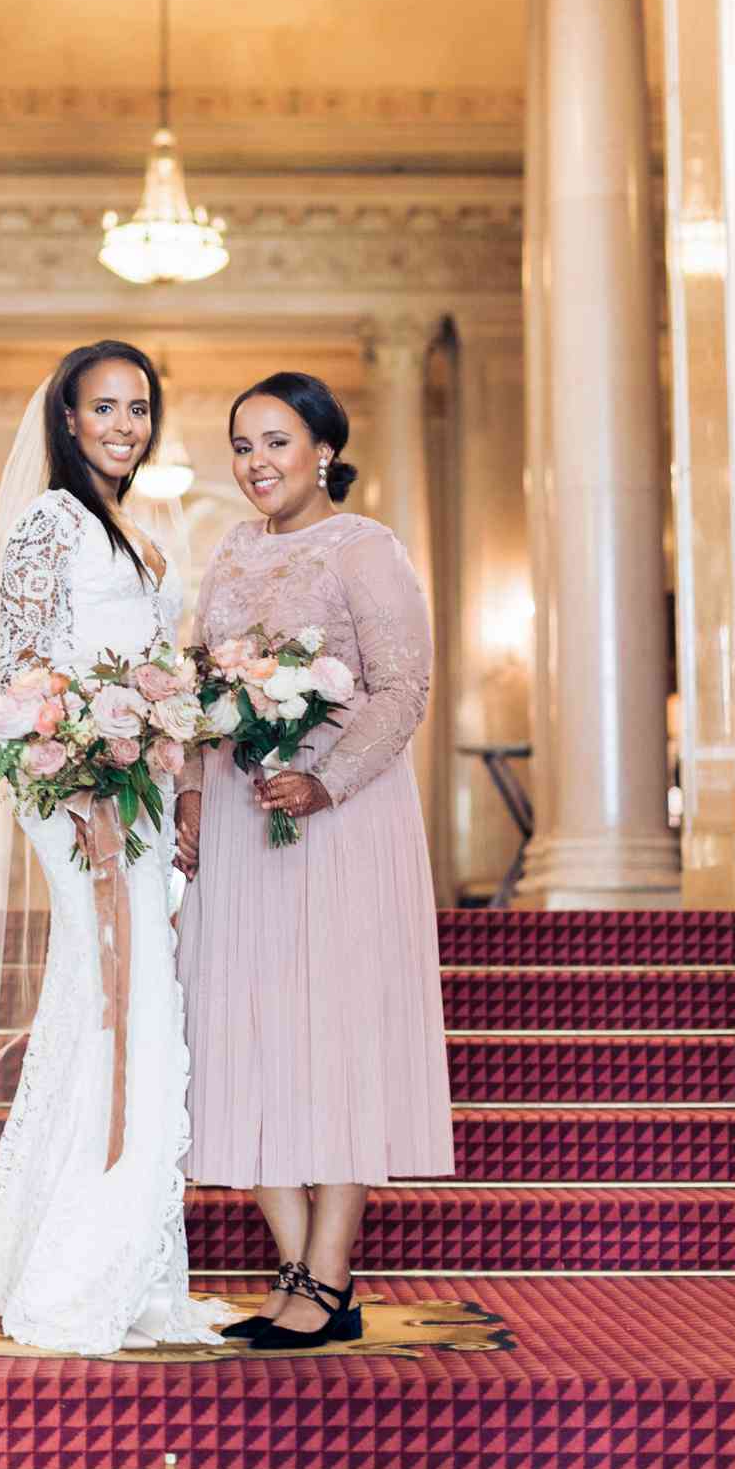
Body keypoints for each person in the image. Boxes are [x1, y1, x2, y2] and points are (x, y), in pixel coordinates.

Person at [0, 341, 228, 1356]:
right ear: (67, 420)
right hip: (81, 786)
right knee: (121, 999)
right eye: (104, 406)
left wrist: (170, 744)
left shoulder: (136, 518)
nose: (124, 423)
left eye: (138, 406)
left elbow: (152, 660)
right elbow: (25, 668)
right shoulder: (50, 520)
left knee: (119, 1002)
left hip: (141, 782)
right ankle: (84, 1269)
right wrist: (82, 773)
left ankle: (120, 1260)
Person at [175, 370, 454, 1349]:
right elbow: (202, 691)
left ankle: (329, 1273)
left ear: (323, 449)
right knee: (241, 1027)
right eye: (243, 444)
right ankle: (297, 1265)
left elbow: (404, 685)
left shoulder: (364, 546)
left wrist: (325, 778)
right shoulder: (228, 553)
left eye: (276, 441)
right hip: (246, 825)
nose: (257, 463)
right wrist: (194, 795)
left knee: (334, 1032)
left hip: (339, 817)